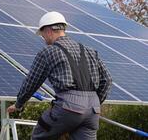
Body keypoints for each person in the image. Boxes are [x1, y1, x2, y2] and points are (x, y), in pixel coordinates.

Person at [7, 11, 112, 140]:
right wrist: (93, 104)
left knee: (39, 135)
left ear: (48, 31)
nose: (43, 38)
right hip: (92, 111)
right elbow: (107, 80)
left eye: (43, 35)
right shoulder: (90, 51)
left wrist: (18, 104)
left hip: (69, 108)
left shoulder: (49, 52)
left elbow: (32, 81)